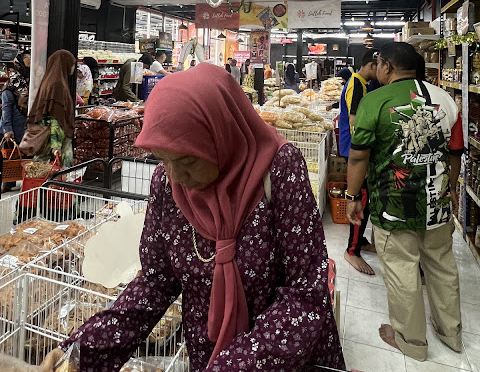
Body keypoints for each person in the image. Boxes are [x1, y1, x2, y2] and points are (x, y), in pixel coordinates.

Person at [41, 64, 345, 372]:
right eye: (162, 159)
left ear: (222, 136)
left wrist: (236, 365)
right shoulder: (166, 184)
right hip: (206, 356)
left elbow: (306, 293)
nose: (175, 176)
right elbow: (155, 283)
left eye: (187, 160)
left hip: (282, 359)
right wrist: (81, 350)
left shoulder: (279, 170)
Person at [346, 42, 463, 361]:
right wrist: (450, 188)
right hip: (437, 204)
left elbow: (358, 156)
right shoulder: (446, 100)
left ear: (386, 67)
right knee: (442, 267)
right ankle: (451, 333)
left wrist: (353, 196)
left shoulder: (374, 101)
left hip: (393, 205)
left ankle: (411, 341)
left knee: (401, 269)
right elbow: (455, 152)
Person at [338, 49, 378, 275]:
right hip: (352, 149)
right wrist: (359, 154)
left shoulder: (361, 84)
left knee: (365, 197)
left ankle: (359, 240)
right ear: (371, 65)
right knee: (360, 196)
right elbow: (354, 121)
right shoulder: (356, 84)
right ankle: (352, 250)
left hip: (355, 149)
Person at [27, 49, 76, 168]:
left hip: (47, 135)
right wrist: (56, 143)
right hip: (55, 137)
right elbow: (55, 115)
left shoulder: (50, 81)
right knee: (58, 171)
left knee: (39, 169)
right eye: (72, 63)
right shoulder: (57, 84)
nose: (73, 67)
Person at [0, 52, 30, 193]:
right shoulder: (12, 84)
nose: (30, 60)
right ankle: (8, 182)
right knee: (11, 156)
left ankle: (27, 181)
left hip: (29, 126)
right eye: (26, 59)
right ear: (19, 64)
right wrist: (7, 129)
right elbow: (6, 109)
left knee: (27, 157)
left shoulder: (34, 80)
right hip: (14, 126)